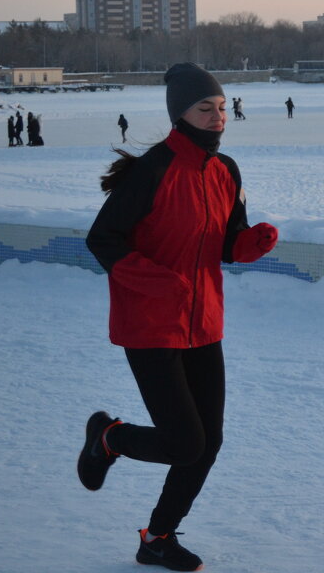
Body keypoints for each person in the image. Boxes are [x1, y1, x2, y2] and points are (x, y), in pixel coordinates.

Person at [78, 63, 279, 572]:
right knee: (185, 442)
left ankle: (158, 538)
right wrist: (156, 281)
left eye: (220, 108)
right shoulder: (152, 171)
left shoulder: (225, 170)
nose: (217, 118)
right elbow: (102, 240)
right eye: (204, 108)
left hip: (204, 323)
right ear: (180, 114)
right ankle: (110, 437)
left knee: (206, 444)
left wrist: (247, 244)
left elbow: (227, 241)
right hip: (149, 326)